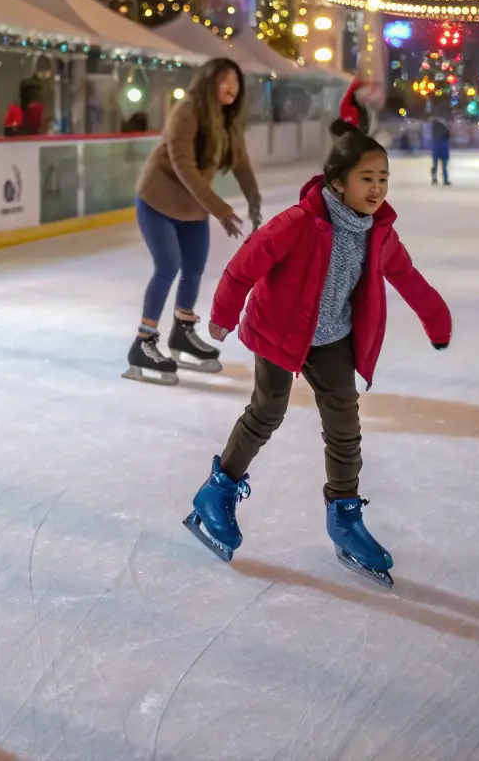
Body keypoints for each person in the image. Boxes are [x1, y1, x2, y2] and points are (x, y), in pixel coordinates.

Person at [183, 103, 452, 588]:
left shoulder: (379, 233)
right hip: (280, 331)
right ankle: (216, 492)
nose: (376, 189)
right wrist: (223, 314)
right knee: (268, 411)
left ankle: (344, 517)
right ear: (337, 183)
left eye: (383, 179)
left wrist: (437, 319)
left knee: (345, 426)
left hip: (331, 338)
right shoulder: (299, 222)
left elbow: (408, 278)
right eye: (367, 178)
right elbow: (247, 263)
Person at [125, 58, 262, 385]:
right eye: (224, 80)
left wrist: (254, 199)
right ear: (208, 82)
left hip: (193, 207)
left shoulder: (227, 118)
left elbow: (240, 162)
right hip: (158, 199)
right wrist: (221, 210)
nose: (232, 88)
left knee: (195, 267)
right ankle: (143, 343)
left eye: (236, 82)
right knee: (168, 266)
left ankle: (182, 333)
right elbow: (183, 167)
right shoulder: (186, 112)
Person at [430, 113, 451, 187]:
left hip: (436, 148)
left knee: (435, 165)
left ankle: (434, 178)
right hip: (443, 149)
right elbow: (448, 135)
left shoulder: (434, 129)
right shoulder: (445, 132)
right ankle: (445, 179)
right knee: (444, 166)